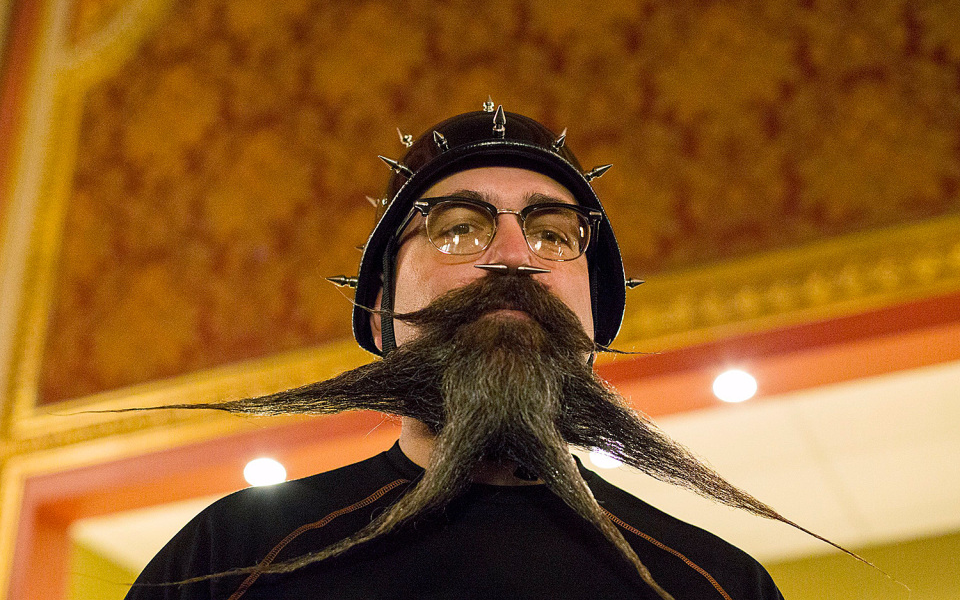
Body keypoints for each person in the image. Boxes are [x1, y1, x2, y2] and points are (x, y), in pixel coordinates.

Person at [124, 103, 788, 600]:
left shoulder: (716, 585)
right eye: (459, 226)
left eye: (554, 235)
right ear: (380, 311)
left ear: (595, 318)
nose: (514, 255)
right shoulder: (233, 559)